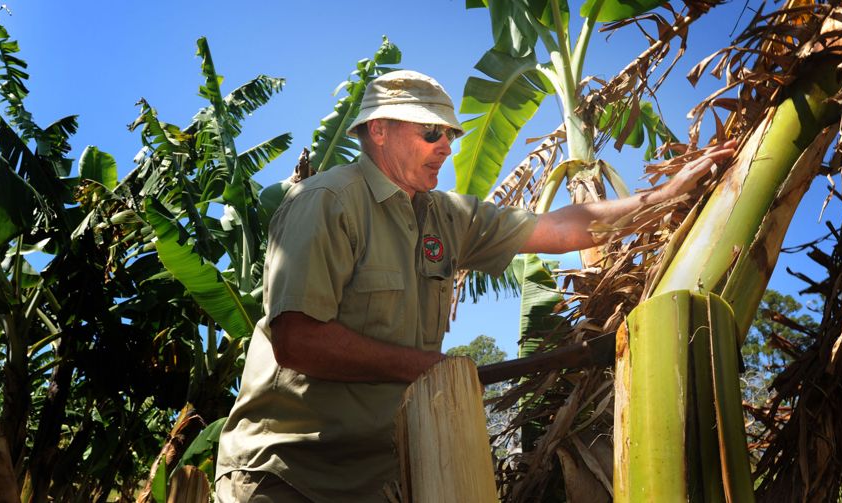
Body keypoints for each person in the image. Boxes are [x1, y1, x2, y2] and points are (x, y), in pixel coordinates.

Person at [214, 70, 736, 502]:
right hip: (287, 476)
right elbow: (297, 340)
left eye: (450, 134)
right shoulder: (327, 203)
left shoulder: (448, 218)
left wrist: (664, 196)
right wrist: (428, 369)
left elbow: (561, 228)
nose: (446, 146)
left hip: (378, 482)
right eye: (430, 132)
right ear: (379, 130)